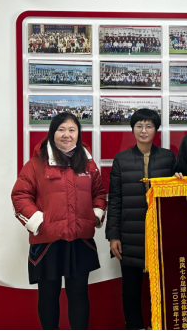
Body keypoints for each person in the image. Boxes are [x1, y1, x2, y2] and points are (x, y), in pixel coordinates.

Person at [11, 112, 107, 331]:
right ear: (52, 133)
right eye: (61, 129)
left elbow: (99, 193)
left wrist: (95, 215)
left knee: (79, 293)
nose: (67, 135)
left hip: (80, 239)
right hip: (47, 240)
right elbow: (20, 196)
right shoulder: (36, 163)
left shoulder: (88, 164)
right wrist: (38, 221)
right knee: (48, 294)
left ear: (78, 134)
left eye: (72, 130)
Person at [106, 109, 176, 331]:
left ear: (156, 130)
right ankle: (134, 326)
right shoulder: (121, 159)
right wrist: (113, 236)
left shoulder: (168, 157)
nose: (144, 130)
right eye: (139, 126)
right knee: (131, 290)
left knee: (161, 288)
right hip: (129, 234)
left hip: (161, 234)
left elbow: (177, 198)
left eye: (149, 126)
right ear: (133, 129)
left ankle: (158, 325)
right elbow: (115, 199)